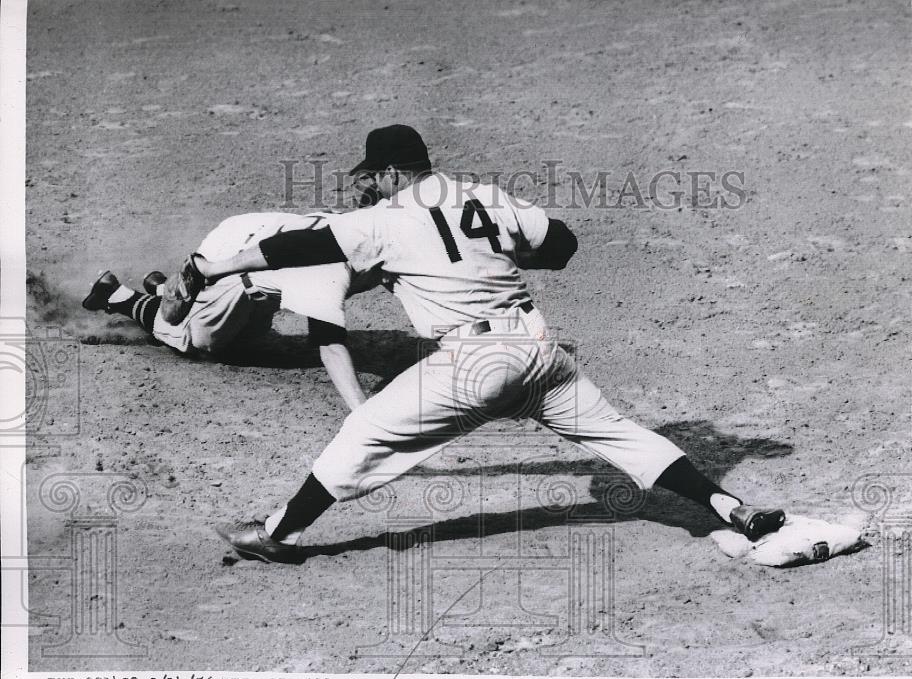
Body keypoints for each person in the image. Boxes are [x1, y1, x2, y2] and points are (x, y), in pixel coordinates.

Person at [192, 124, 784, 562]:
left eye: (374, 175)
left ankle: (278, 535)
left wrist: (218, 267)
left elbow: (298, 247)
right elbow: (562, 246)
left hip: (473, 365)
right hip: (539, 352)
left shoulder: (380, 220)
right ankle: (728, 506)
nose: (369, 185)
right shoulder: (486, 196)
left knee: (365, 433)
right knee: (622, 435)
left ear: (396, 174)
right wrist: (491, 254)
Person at [82, 211, 386, 410]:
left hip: (248, 239)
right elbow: (330, 346)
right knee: (198, 341)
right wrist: (363, 414)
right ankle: (119, 294)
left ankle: (164, 288)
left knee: (251, 341)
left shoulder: (354, 228)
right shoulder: (331, 273)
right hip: (234, 260)